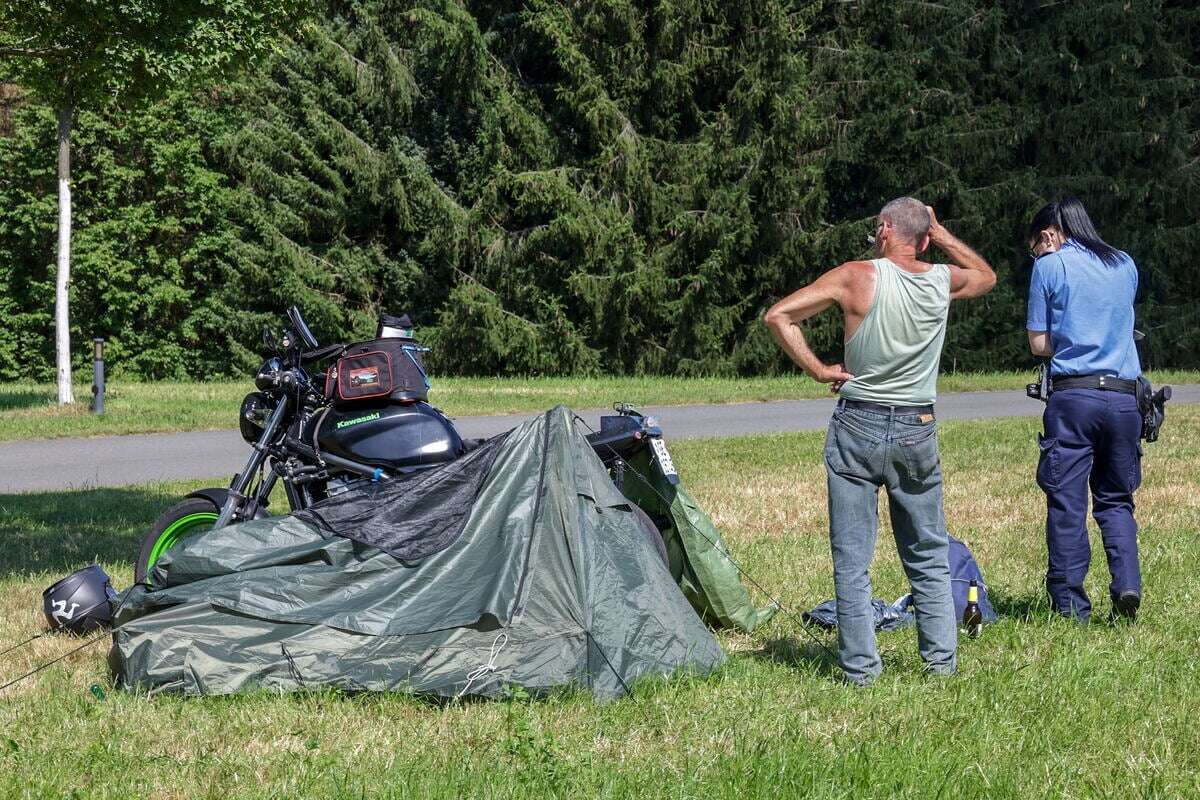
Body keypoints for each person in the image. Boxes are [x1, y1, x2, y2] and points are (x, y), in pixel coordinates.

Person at [764, 197, 995, 686]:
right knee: (928, 554)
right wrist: (942, 233)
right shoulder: (940, 280)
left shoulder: (856, 275)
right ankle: (940, 666)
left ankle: (861, 671)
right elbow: (986, 276)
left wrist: (819, 369)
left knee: (852, 558)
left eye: (877, 228)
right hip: (918, 426)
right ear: (927, 237)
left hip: (858, 424)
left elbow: (779, 316)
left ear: (885, 230)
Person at [1026, 196, 1143, 623]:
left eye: (1035, 246)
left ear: (1048, 235)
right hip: (1126, 396)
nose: (1036, 254)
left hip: (1073, 398)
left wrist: (1069, 338)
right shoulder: (1124, 263)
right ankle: (1127, 584)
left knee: (1067, 502)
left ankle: (1071, 606)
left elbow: (1039, 344)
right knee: (1116, 499)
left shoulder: (1049, 266)